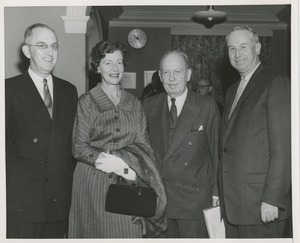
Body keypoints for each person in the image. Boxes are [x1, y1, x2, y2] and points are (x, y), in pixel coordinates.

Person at [68, 40, 167, 238]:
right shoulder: (87, 101)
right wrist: (111, 161)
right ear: (97, 67)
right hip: (92, 182)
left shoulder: (134, 103)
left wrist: (130, 169)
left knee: (127, 232)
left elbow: (143, 145)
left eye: (119, 62)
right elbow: (78, 147)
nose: (115, 68)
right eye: (108, 62)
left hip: (128, 180)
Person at [218, 25, 291, 238]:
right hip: (234, 205)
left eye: (243, 46)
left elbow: (283, 149)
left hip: (262, 206)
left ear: (257, 47)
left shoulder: (276, 83)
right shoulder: (232, 90)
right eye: (232, 49)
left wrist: (272, 199)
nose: (237, 54)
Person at [5, 23, 78, 238]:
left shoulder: (68, 90)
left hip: (59, 199)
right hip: (23, 202)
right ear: (27, 51)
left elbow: (72, 144)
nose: (50, 52)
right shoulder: (8, 90)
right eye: (42, 45)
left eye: (54, 46)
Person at [143, 50, 220, 238]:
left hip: (194, 203)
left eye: (177, 72)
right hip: (160, 201)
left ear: (189, 74)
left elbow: (216, 153)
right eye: (166, 73)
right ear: (160, 76)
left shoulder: (206, 106)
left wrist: (217, 195)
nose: (171, 78)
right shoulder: (149, 105)